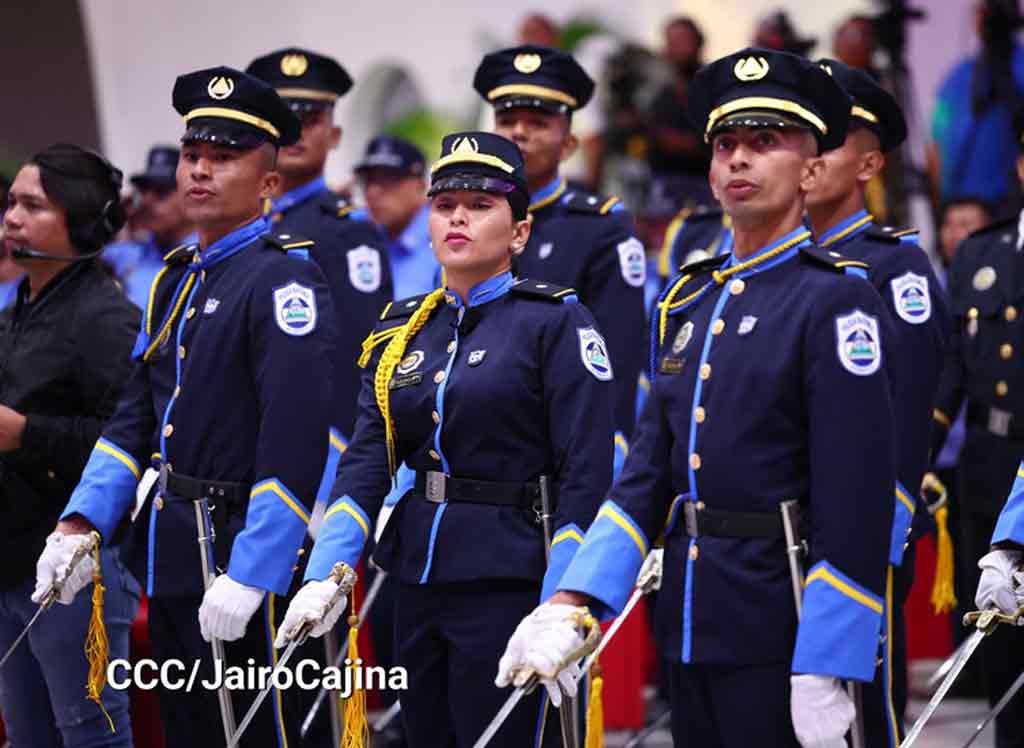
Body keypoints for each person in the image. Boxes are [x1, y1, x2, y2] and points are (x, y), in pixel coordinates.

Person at [496, 48, 898, 748]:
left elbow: (856, 496)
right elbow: (649, 470)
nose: (738, 159)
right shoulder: (689, 298)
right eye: (726, 144)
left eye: (764, 142)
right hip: (689, 613)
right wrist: (573, 599)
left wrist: (829, 661)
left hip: (784, 616)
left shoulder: (837, 300)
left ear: (809, 169)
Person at [274, 131, 614, 747]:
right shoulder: (404, 327)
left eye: (481, 204)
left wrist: (565, 600)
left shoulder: (555, 321)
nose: (458, 215)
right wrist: (326, 572)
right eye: (445, 203)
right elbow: (369, 453)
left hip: (509, 577)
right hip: (414, 574)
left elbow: (585, 472)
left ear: (519, 232)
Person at [32, 67, 338, 748]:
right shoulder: (176, 278)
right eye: (194, 154)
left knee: (264, 733)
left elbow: (292, 441)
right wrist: (82, 519)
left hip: (244, 550)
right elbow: (137, 413)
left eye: (224, 158)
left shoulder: (284, 278)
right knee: (192, 729)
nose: (200, 170)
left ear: (268, 183)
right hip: (173, 546)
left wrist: (256, 570)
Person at [805, 58, 950, 746]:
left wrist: (879, 541)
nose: (808, 151)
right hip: (774, 537)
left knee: (860, 720)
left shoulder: (895, 268)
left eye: (828, 136)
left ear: (868, 164)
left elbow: (908, 414)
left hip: (859, 538)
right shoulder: (757, 267)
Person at [0, 143, 140, 745]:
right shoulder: (19, 309)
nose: (10, 217)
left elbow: (134, 440)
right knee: (30, 737)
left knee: (90, 735)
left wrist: (26, 433)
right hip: (13, 563)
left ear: (80, 225)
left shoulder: (105, 318)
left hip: (78, 569)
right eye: (11, 203)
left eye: (32, 205)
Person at [475, 44, 646, 445]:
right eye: (507, 119)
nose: (519, 132)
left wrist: (607, 455)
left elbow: (615, 357)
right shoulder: (467, 220)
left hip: (560, 443)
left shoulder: (600, 227)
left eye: (537, 122)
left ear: (569, 145)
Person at [246, 47, 394, 450]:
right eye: (284, 121)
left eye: (309, 120)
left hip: (314, 450)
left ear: (334, 135)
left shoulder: (349, 231)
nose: (295, 133)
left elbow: (359, 353)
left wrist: (337, 451)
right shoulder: (241, 222)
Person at [931, 110, 1024, 747]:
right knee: (1001, 642)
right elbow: (949, 375)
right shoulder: (982, 253)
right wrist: (916, 463)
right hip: (994, 458)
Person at [929, 0, 1024, 206]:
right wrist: (940, 205)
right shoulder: (959, 75)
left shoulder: (1020, 67)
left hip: (1011, 203)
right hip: (961, 202)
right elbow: (936, 139)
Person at [104, 146, 195, 309]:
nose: (146, 201)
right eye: (144, 191)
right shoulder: (129, 254)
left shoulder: (210, 254)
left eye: (161, 191)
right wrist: (114, 217)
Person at [355, 135, 440, 299]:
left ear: (420, 187)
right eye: (368, 180)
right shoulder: (355, 230)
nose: (373, 191)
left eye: (388, 178)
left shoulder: (446, 242)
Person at [646, 17, 712, 208]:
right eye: (671, 41)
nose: (677, 48)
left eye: (683, 40)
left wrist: (685, 143)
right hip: (666, 188)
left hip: (706, 187)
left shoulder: (714, 86)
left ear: (698, 42)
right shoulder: (662, 93)